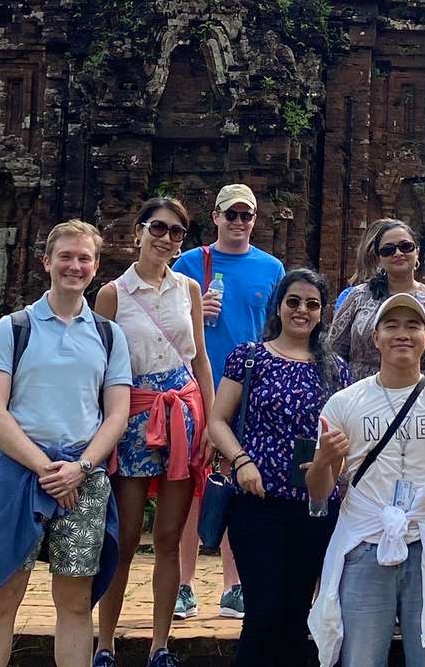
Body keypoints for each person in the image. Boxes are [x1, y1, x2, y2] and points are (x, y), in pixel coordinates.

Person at [0, 221, 133, 667]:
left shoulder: (108, 335)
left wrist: (80, 466)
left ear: (96, 267)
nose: (74, 266)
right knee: (3, 596)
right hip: (21, 473)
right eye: (66, 256)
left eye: (84, 258)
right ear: (47, 262)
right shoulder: (14, 327)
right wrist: (45, 468)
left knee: (76, 603)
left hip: (83, 477)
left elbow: (117, 413)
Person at [307, 293, 425, 667]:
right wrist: (322, 462)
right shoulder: (344, 404)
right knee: (361, 659)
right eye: (392, 325)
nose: (402, 334)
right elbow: (320, 495)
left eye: (412, 325)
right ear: (375, 338)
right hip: (364, 540)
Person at [93, 199, 213, 667]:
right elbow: (102, 366)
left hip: (183, 413)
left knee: (168, 538)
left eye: (178, 232)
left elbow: (199, 357)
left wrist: (208, 420)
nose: (166, 238)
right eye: (158, 228)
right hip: (133, 415)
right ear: (139, 231)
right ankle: (105, 643)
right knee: (123, 538)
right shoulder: (113, 294)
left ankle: (159, 645)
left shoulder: (188, 288)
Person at [209, 269, 348, 667]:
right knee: (262, 612)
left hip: (314, 506)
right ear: (279, 306)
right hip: (258, 502)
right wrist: (241, 460)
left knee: (296, 614)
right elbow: (218, 421)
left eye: (312, 304)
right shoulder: (250, 357)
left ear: (322, 313)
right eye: (294, 302)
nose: (301, 311)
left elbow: (344, 433)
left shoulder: (336, 369)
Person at [171, 184, 284, 619]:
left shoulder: (271, 268)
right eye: (231, 215)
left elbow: (278, 329)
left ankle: (233, 585)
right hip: (196, 388)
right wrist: (195, 316)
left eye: (247, 216)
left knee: (237, 484)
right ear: (215, 217)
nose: (239, 223)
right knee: (190, 486)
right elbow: (166, 325)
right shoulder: (188, 264)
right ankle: (184, 583)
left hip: (248, 391)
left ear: (255, 220)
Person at [331, 219, 425, 395]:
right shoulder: (357, 298)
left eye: (405, 246)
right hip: (362, 400)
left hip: (423, 401)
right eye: (388, 250)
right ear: (379, 258)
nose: (398, 253)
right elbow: (332, 356)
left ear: (417, 252)